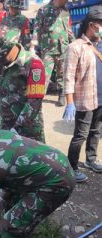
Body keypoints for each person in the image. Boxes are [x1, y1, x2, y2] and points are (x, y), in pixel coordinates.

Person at [0, 26, 46, 143]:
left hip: (28, 136)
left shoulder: (33, 64)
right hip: (5, 132)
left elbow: (34, 103)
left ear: (10, 49)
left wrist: (14, 131)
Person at [63, 5, 102, 183]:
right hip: (85, 99)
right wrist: (69, 102)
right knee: (81, 134)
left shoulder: (100, 45)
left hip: (100, 97)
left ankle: (91, 160)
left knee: (96, 130)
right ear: (92, 25)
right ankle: (72, 167)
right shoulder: (75, 47)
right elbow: (69, 76)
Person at [30, 0, 75, 107]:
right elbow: (36, 29)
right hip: (48, 49)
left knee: (62, 73)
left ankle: (62, 94)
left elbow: (69, 30)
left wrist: (74, 43)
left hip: (63, 48)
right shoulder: (43, 10)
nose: (66, 2)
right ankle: (38, 96)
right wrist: (32, 46)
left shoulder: (65, 11)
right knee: (44, 74)